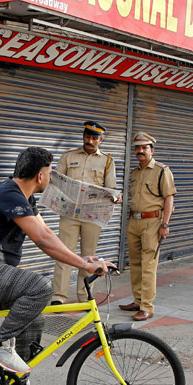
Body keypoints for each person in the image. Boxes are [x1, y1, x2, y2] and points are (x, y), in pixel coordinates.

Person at [0, 146, 110, 385]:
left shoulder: (24, 198)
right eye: (49, 172)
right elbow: (43, 240)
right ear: (40, 175)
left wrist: (85, 259)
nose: (50, 177)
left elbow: (47, 232)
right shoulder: (10, 195)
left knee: (34, 318)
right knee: (39, 288)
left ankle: (18, 384)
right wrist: (82, 264)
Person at [50, 121, 120, 305]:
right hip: (69, 213)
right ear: (83, 137)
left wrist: (114, 196)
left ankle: (84, 296)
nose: (90, 141)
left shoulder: (107, 161)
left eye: (95, 138)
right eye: (88, 137)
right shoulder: (68, 156)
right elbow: (56, 180)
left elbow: (111, 188)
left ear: (101, 140)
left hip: (92, 216)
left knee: (89, 255)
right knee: (64, 253)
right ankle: (59, 297)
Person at [119, 132, 176, 322]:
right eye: (137, 148)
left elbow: (169, 198)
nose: (140, 151)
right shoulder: (135, 172)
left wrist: (165, 224)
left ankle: (147, 307)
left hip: (153, 222)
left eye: (144, 147)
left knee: (149, 265)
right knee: (135, 264)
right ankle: (137, 300)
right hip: (134, 221)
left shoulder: (162, 171)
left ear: (152, 150)